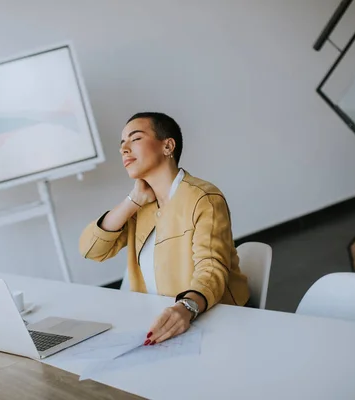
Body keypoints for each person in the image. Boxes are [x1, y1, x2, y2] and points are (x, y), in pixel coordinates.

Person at [79, 112, 250, 345]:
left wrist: (185, 307)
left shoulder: (203, 197)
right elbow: (91, 250)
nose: (124, 149)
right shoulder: (140, 207)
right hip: (159, 322)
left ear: (168, 145)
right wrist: (133, 200)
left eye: (135, 138)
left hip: (210, 322)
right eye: (122, 144)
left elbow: (211, 268)